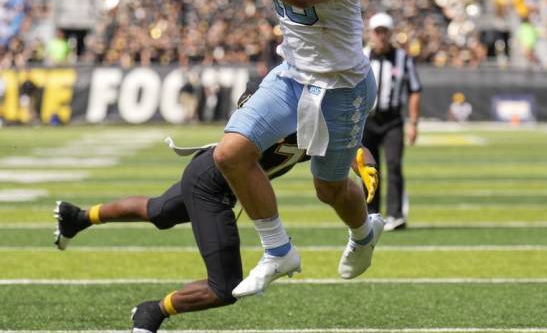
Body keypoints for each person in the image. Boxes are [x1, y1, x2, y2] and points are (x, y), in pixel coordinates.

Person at [53, 86, 380, 333]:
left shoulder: (316, 125)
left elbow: (351, 148)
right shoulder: (276, 110)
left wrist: (365, 166)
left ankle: (78, 218)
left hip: (211, 177)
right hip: (211, 184)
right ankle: (153, 311)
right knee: (224, 287)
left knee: (158, 212)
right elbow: (247, 112)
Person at [185, 0, 382, 298]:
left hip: (342, 85)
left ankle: (363, 233)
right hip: (292, 74)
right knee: (229, 153)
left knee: (328, 188)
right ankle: (278, 251)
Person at [362, 12, 422, 231]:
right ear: (371, 33)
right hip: (366, 120)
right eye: (377, 31)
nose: (381, 36)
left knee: (394, 165)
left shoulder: (403, 58)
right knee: (368, 168)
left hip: (392, 120)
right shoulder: (361, 56)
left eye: (384, 31)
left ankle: (396, 215)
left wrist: (414, 122)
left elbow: (415, 90)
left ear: (390, 33)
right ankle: (370, 214)